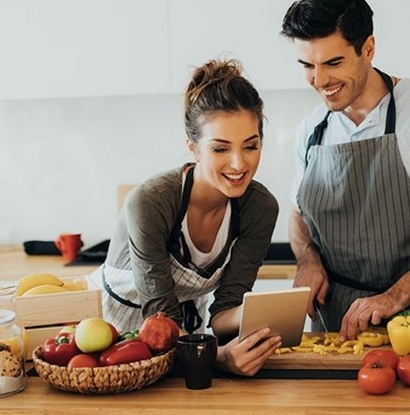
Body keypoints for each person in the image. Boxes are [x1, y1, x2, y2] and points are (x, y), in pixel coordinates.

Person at [280, 0, 410, 340]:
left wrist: (396, 296)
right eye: (307, 66)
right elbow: (298, 214)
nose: (320, 81)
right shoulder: (313, 127)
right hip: (332, 325)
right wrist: (308, 260)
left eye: (333, 63)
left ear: (369, 49)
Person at [88, 59, 281, 376]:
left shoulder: (259, 208)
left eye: (251, 146)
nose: (238, 163)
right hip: (112, 335)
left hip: (184, 335)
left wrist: (257, 315)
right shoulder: (150, 202)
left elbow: (223, 311)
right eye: (220, 149)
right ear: (193, 147)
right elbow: (160, 316)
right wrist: (218, 357)